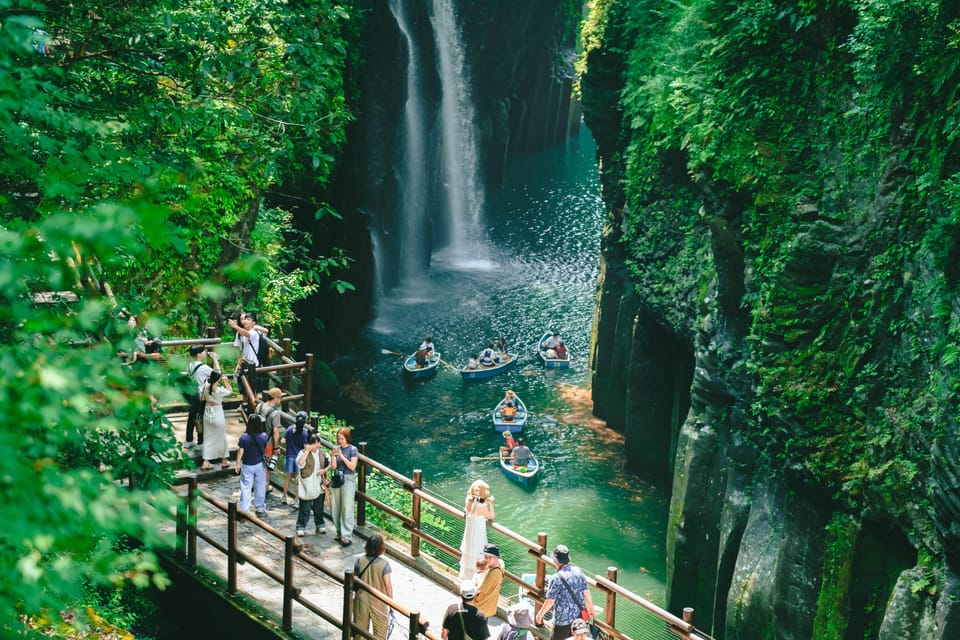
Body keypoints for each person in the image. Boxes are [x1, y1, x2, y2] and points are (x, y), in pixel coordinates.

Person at [534, 545, 594, 640]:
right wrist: (591, 609)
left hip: (562, 621)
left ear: (556, 561)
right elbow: (586, 592)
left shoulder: (556, 578)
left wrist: (540, 614)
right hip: (578, 619)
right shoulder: (578, 571)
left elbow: (550, 601)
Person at [353, 534, 394, 640]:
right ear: (381, 548)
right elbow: (388, 585)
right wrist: (391, 605)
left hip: (361, 599)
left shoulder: (359, 560)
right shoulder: (385, 564)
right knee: (380, 633)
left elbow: (354, 579)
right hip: (379, 601)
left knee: (359, 631)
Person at [459, 479, 495, 582]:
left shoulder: (468, 501)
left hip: (469, 537)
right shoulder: (482, 507)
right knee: (479, 559)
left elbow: (472, 505)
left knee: (469, 560)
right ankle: (477, 582)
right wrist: (491, 504)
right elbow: (491, 517)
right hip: (478, 537)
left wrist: (485, 501)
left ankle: (466, 582)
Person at [295, 433, 329, 536]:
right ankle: (300, 526)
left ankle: (320, 524)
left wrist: (324, 470)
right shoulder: (303, 453)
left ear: (319, 443)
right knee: (305, 506)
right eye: (311, 443)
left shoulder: (323, 454)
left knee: (319, 506)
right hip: (307, 483)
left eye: (315, 443)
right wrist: (308, 451)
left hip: (318, 483)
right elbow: (300, 463)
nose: (314, 445)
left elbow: (331, 464)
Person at [330, 427, 359, 546]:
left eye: (342, 438)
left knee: (347, 506)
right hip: (337, 478)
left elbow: (352, 467)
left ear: (347, 438)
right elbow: (333, 467)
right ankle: (338, 531)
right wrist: (333, 456)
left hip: (348, 479)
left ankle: (346, 535)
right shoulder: (337, 449)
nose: (340, 441)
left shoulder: (353, 450)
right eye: (338, 438)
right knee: (336, 505)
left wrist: (341, 456)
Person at [185, 344, 218, 448]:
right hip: (201, 395)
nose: (205, 352)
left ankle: (189, 440)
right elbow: (218, 374)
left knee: (192, 416)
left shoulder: (190, 365)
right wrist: (216, 360)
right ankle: (201, 442)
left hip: (192, 394)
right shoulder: (203, 367)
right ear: (199, 354)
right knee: (201, 418)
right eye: (203, 351)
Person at [235, 413, 268, 518]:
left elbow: (240, 452)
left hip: (247, 465)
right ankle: (260, 507)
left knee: (246, 487)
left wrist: (237, 464)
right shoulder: (263, 436)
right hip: (260, 465)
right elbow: (265, 449)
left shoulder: (244, 438)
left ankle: (245, 510)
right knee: (260, 486)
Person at [200, 370, 232, 471]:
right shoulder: (219, 390)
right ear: (218, 379)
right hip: (217, 413)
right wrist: (226, 381)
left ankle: (206, 462)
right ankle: (224, 460)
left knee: (208, 438)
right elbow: (230, 391)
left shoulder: (205, 386)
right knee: (221, 437)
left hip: (207, 412)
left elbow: (202, 398)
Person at [229, 311, 268, 394]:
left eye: (248, 319)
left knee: (253, 390)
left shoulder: (254, 333)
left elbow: (247, 334)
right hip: (245, 363)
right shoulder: (241, 334)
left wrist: (236, 326)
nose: (245, 321)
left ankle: (254, 406)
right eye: (245, 319)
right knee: (244, 387)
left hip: (253, 365)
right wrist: (239, 364)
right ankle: (244, 404)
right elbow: (241, 350)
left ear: (253, 323)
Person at [256, 387, 284, 487]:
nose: (280, 400)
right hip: (268, 442)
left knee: (258, 462)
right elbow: (275, 432)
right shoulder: (275, 413)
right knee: (267, 465)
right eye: (280, 397)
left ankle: (257, 483)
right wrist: (276, 447)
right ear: (276, 398)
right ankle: (265, 486)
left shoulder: (259, 406)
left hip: (257, 439)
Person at [283, 410, 311, 506]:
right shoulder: (304, 434)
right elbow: (306, 447)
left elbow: (282, 441)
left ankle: (284, 496)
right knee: (297, 480)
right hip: (298, 459)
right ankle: (296, 500)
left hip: (289, 456)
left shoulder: (290, 429)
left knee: (287, 478)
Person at [474, 544, 504, 618]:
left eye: (489, 557)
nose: (486, 559)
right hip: (490, 604)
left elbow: (479, 590)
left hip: (481, 606)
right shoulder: (501, 563)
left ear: (496, 557)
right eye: (485, 556)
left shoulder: (493, 573)